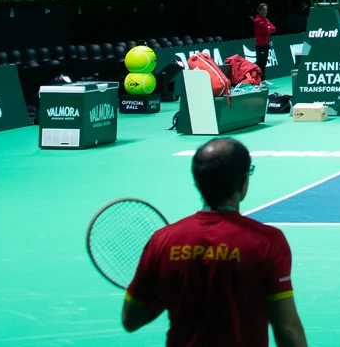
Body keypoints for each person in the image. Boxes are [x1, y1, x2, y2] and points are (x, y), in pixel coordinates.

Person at [123, 137, 307, 347]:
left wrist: (163, 295)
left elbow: (130, 320)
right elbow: (287, 329)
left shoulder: (163, 240)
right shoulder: (267, 242)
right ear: (243, 181)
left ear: (197, 182)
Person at [252, 3, 277, 70]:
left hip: (266, 44)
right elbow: (265, 30)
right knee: (260, 63)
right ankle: (258, 79)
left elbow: (274, 28)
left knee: (264, 62)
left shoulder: (266, 20)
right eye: (263, 10)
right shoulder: (257, 20)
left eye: (266, 10)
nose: (265, 11)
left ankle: (263, 79)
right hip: (260, 45)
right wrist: (268, 28)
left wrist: (268, 28)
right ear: (259, 11)